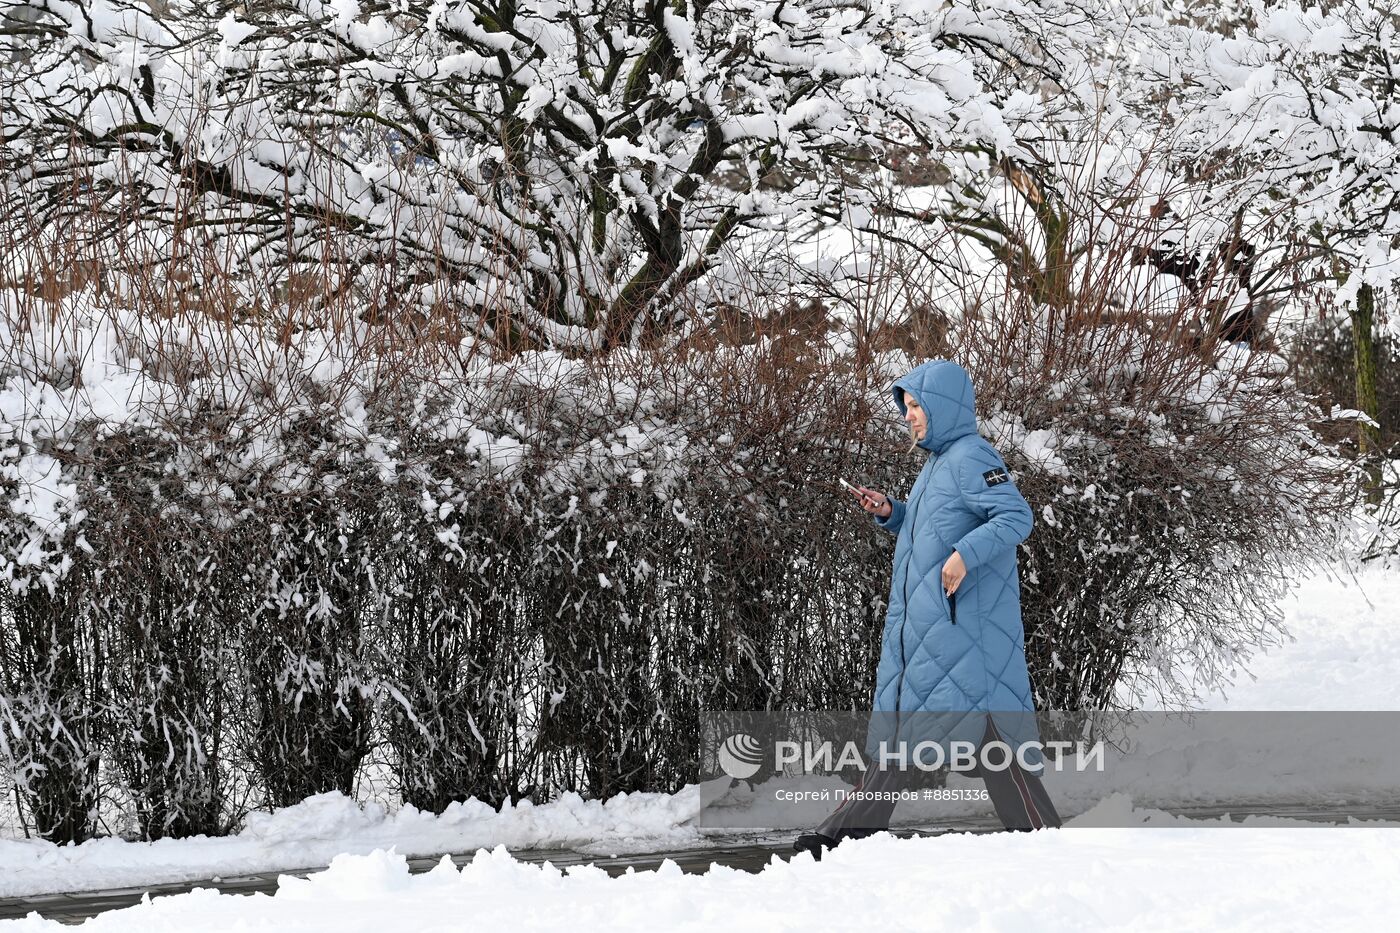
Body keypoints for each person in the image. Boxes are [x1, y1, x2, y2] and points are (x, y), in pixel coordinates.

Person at [793, 359, 1062, 860]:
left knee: (983, 738)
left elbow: (1014, 516)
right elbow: (931, 527)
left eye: (916, 406)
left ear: (943, 407)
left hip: (963, 638)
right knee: (914, 732)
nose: (910, 417)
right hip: (933, 631)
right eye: (908, 408)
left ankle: (838, 837)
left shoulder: (971, 456)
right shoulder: (938, 464)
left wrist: (965, 555)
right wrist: (892, 512)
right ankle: (843, 835)